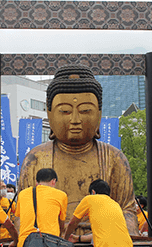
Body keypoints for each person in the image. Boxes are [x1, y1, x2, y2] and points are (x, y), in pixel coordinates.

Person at [17, 65, 137, 234]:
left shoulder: (114, 158)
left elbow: (128, 211)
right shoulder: (35, 158)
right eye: (65, 111)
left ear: (99, 114)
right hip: (48, 241)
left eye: (85, 110)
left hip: (98, 238)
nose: (75, 119)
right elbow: (22, 214)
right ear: (50, 115)